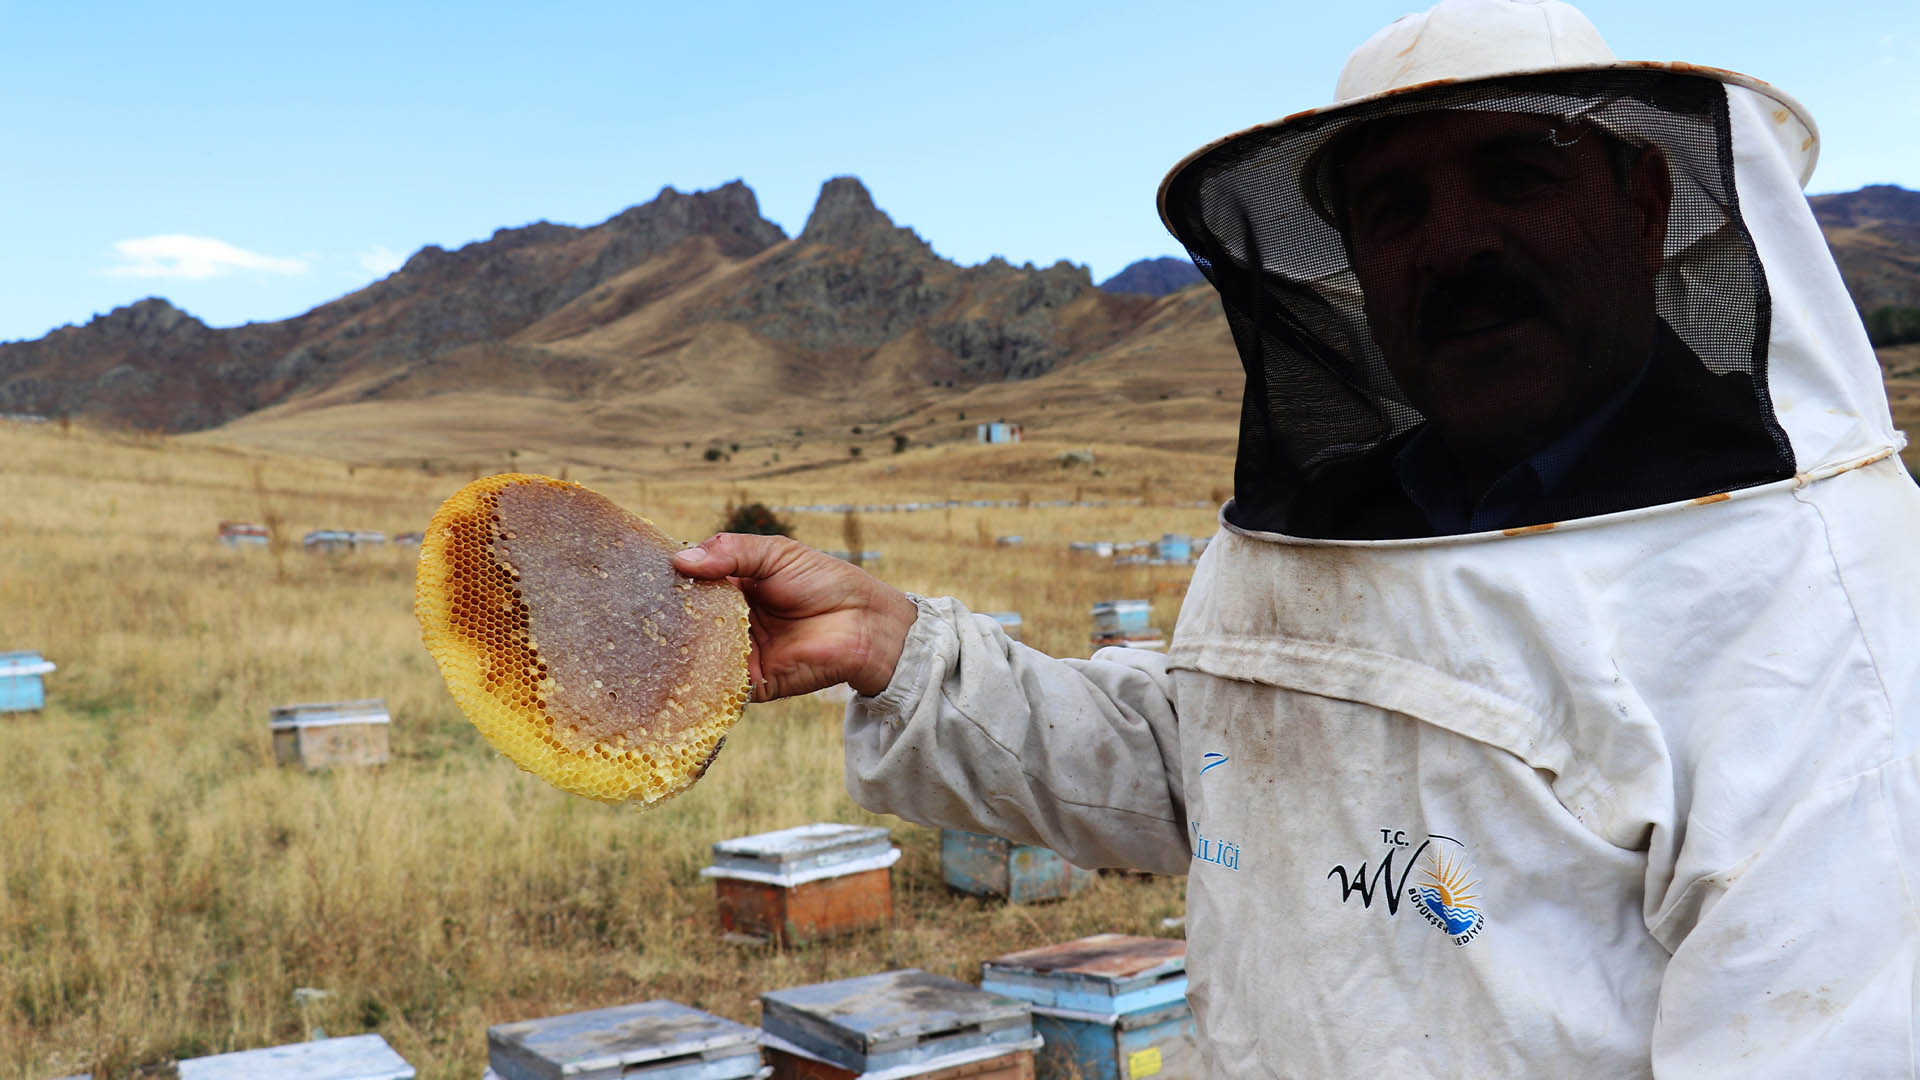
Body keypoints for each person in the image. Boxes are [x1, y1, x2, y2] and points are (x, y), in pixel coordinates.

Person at [675, 1, 1920, 1074]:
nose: (1456, 245)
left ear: (1642, 203)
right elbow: (1214, 770)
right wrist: (899, 650)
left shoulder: (1823, 609)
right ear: (1358, 270)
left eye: (1517, 175)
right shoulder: (1338, 522)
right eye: (1394, 208)